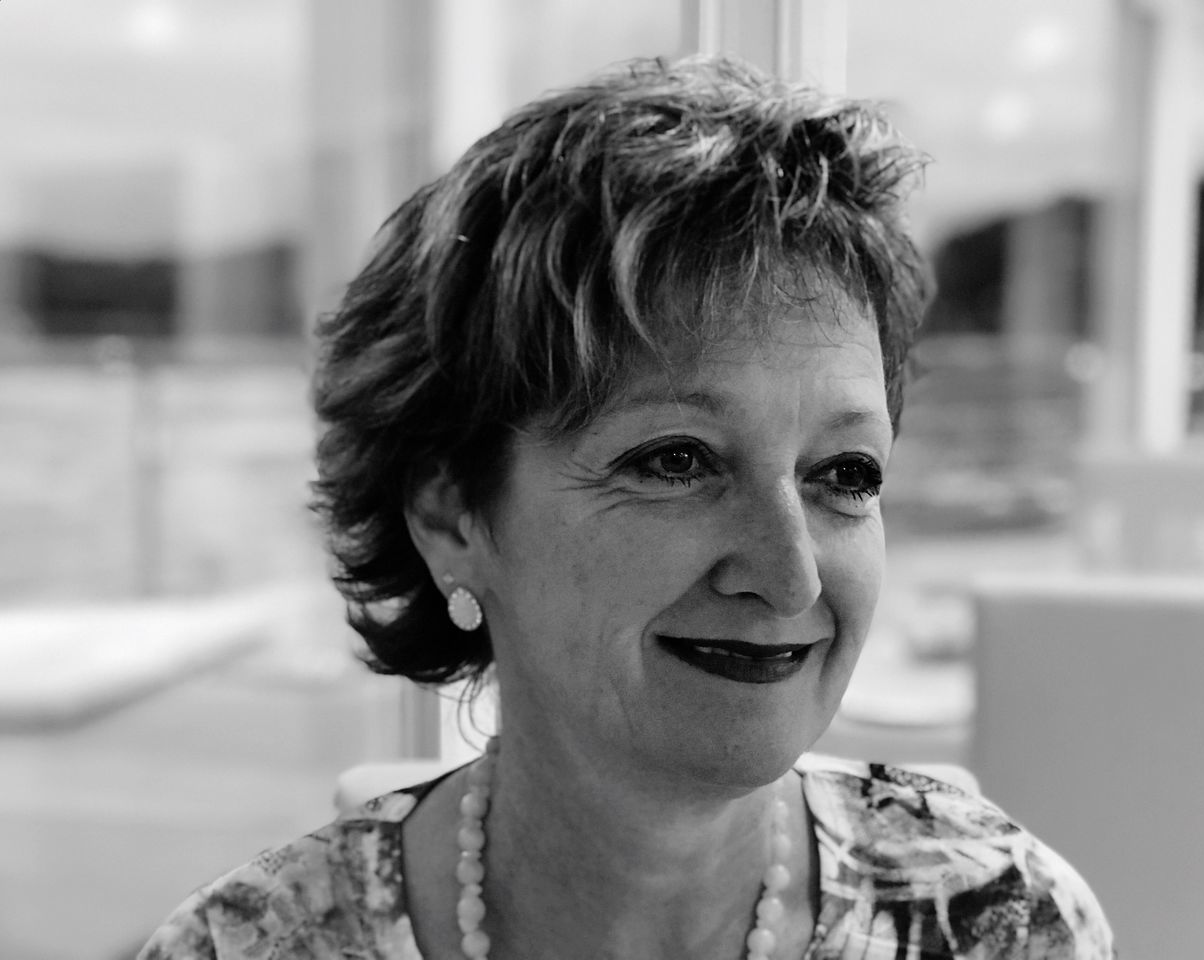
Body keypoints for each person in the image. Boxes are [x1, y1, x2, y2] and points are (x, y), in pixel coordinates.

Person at [139, 55, 1114, 959]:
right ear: (448, 514)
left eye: (844, 475)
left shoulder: (1005, 923)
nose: (789, 575)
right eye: (678, 460)